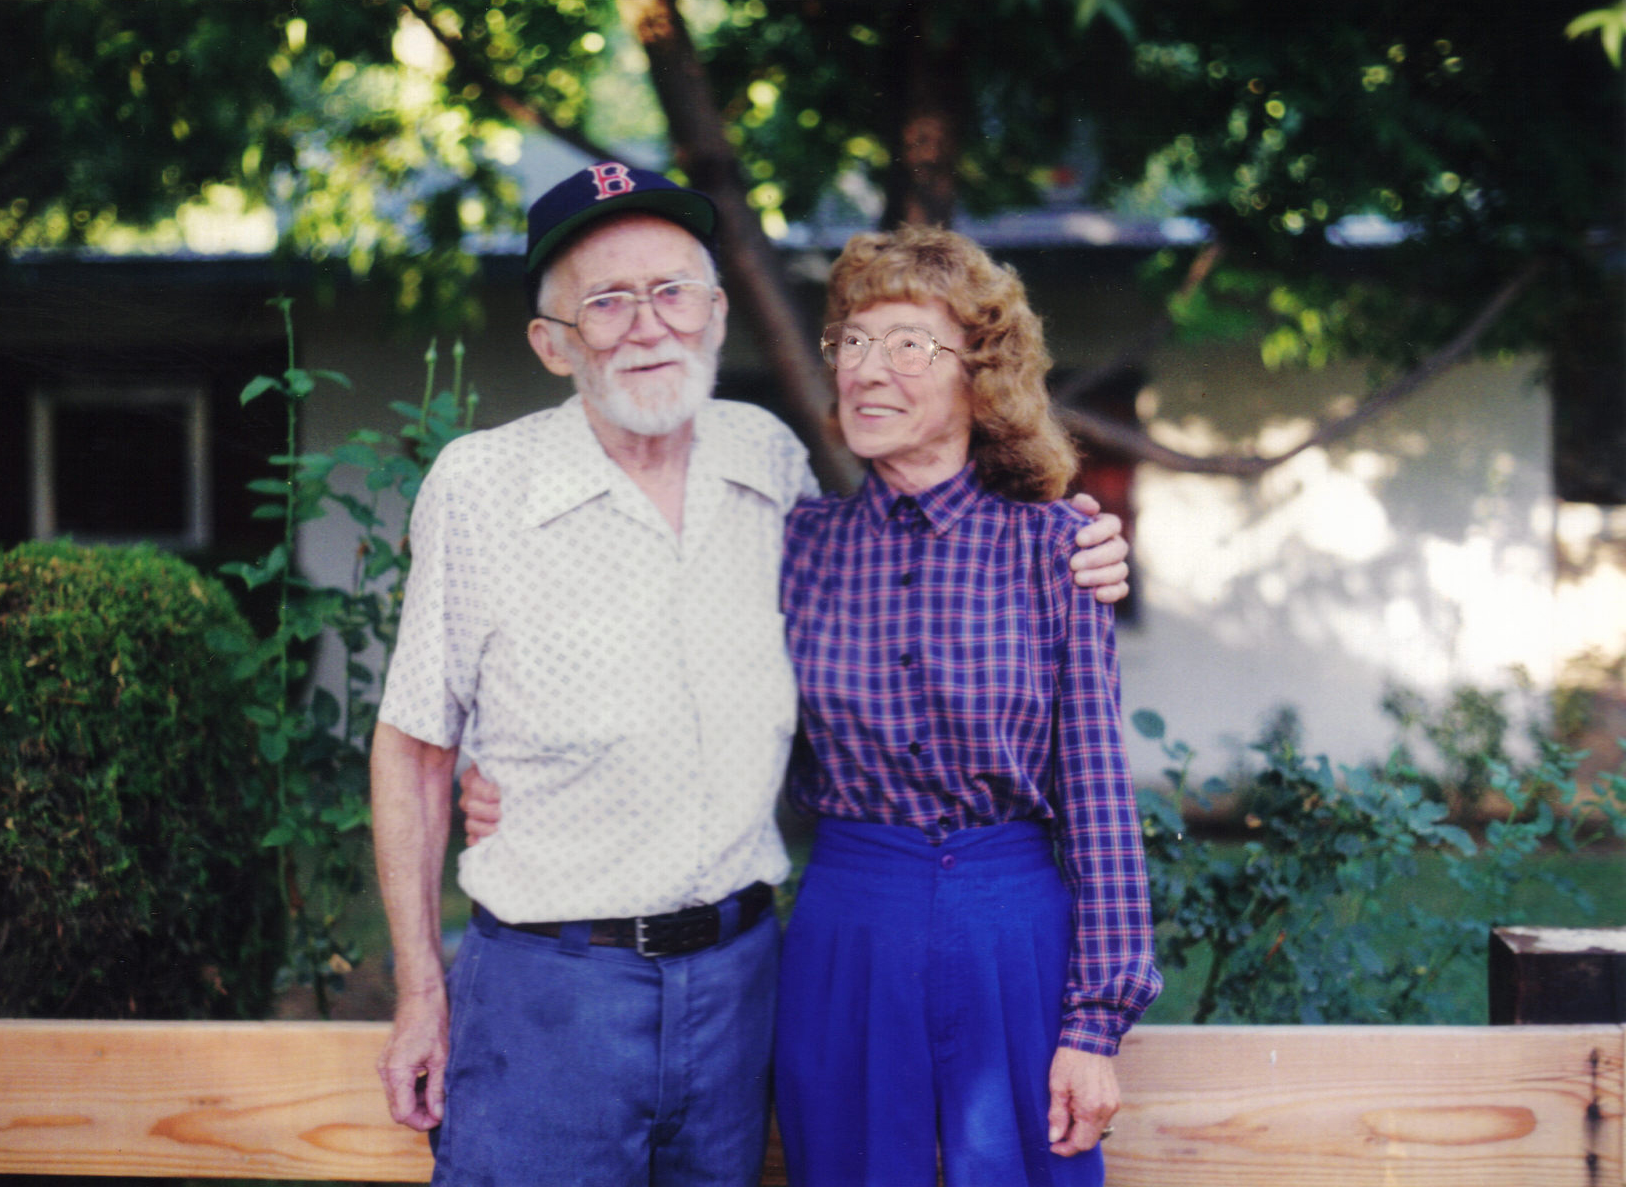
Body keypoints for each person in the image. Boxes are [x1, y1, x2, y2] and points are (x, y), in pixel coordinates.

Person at [377, 161, 1131, 1187]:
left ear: (717, 313)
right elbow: (424, 740)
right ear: (552, 342)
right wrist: (434, 954)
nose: (648, 324)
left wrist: (1079, 539)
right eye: (607, 301)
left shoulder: (780, 472)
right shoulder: (501, 489)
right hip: (584, 985)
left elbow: (1068, 775)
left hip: (766, 976)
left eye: (672, 289)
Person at [772, 226, 1162, 1187]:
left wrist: (1094, 1024)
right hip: (848, 928)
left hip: (1011, 926)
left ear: (978, 379)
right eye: (852, 343)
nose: (868, 369)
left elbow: (1099, 798)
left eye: (909, 345)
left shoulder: (1053, 549)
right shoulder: (797, 548)